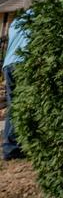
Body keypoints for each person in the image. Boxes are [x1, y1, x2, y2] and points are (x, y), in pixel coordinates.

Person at [2, 13, 28, 161]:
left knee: (13, 104)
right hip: (23, 63)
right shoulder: (37, 19)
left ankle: (10, 145)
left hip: (8, 64)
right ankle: (11, 148)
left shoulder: (17, 20)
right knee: (22, 104)